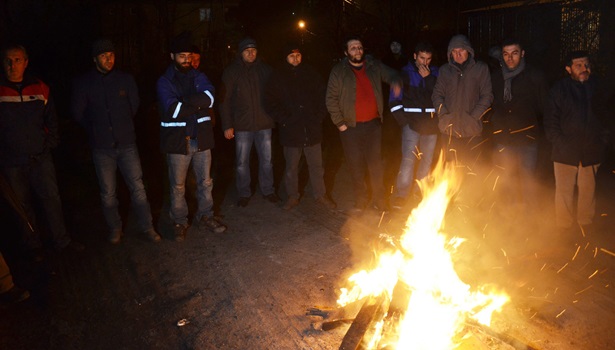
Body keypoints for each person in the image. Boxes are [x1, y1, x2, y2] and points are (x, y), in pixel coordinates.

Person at [72, 39, 161, 244]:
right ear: (95, 59)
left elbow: (134, 105)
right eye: (104, 56)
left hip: (127, 144)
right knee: (108, 193)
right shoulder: (85, 83)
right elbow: (78, 112)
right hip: (102, 148)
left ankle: (147, 226)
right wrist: (96, 127)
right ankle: (115, 228)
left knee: (138, 188)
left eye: (111, 55)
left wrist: (122, 125)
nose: (108, 59)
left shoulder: (125, 80)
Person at [0, 44, 83, 257]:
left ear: (26, 62)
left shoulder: (40, 88)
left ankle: (62, 241)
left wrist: (48, 146)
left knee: (51, 200)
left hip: (40, 158)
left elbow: (52, 121)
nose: (13, 65)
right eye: (8, 60)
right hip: (11, 162)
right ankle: (33, 245)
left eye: (17, 60)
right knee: (22, 206)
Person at [157, 34, 227, 242]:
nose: (186, 60)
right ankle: (179, 221)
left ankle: (205, 216)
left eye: (189, 56)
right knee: (178, 185)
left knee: (205, 182)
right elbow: (173, 109)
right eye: (182, 56)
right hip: (178, 141)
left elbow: (211, 97)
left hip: (202, 138)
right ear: (172, 56)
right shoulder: (164, 81)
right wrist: (198, 102)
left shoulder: (198, 75)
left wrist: (187, 102)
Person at [326, 36, 402, 212]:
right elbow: (330, 99)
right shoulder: (339, 71)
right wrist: (340, 123)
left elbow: (391, 74)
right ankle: (361, 199)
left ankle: (379, 199)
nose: (357, 51)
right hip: (350, 127)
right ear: (346, 52)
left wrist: (395, 81)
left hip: (373, 125)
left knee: (375, 164)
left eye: (359, 47)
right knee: (356, 165)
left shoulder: (373, 66)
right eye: (353, 48)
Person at [264, 43, 336, 211]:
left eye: (298, 55)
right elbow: (270, 102)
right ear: (285, 57)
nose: (295, 59)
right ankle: (292, 196)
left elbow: (323, 96)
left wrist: (318, 117)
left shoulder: (311, 73)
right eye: (291, 56)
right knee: (291, 166)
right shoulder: (277, 76)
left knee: (317, 165)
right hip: (291, 130)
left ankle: (320, 195)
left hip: (312, 129)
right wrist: (285, 119)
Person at [544, 51, 608, 231]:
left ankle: (585, 226)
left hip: (591, 150)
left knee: (588, 191)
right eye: (578, 65)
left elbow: (607, 117)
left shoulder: (598, 87)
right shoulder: (559, 89)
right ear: (568, 69)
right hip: (564, 151)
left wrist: (602, 141)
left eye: (586, 65)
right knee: (564, 192)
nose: (583, 69)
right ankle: (563, 228)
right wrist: (559, 142)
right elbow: (550, 120)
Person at [489, 38, 549, 214]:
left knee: (528, 179)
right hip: (503, 138)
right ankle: (509, 217)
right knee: (506, 179)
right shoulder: (496, 77)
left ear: (522, 54)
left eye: (514, 53)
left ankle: (531, 218)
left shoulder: (535, 76)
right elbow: (491, 104)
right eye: (506, 54)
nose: (510, 58)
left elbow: (544, 106)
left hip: (527, 139)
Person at [220, 37, 279, 207]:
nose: (251, 53)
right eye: (247, 50)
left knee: (267, 160)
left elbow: (274, 95)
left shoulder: (266, 70)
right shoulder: (231, 72)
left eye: (253, 50)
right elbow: (224, 100)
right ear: (241, 53)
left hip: (264, 124)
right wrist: (227, 125)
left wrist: (275, 116)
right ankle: (243, 193)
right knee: (241, 162)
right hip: (242, 125)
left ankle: (268, 190)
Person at [389, 41, 439, 210]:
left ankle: (420, 193)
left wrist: (429, 79)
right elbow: (393, 102)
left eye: (428, 59)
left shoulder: (436, 74)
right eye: (422, 58)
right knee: (408, 160)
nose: (425, 62)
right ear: (415, 56)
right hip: (411, 126)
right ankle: (401, 195)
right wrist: (405, 122)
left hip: (431, 127)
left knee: (427, 161)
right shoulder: (401, 75)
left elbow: (441, 96)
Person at [432, 34, 493, 170]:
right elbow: (437, 94)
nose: (458, 54)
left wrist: (473, 117)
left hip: (472, 131)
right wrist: (444, 115)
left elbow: (487, 96)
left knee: (471, 171)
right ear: (450, 53)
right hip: (449, 132)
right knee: (449, 172)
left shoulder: (480, 69)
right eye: (454, 51)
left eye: (461, 50)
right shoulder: (445, 71)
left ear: (469, 51)